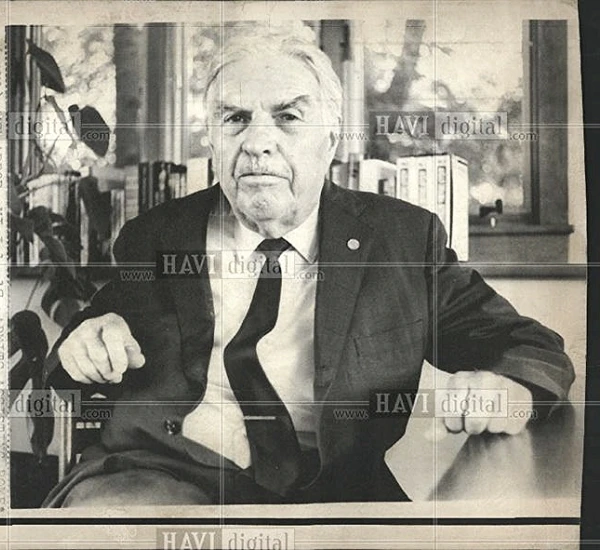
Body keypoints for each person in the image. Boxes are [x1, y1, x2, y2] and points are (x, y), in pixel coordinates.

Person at [42, 26, 574, 506]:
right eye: (235, 119)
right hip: (157, 473)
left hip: (335, 494)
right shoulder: (156, 236)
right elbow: (82, 358)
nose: (256, 143)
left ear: (331, 140)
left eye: (288, 117)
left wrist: (510, 391)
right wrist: (86, 342)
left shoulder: (402, 241)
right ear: (213, 139)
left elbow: (530, 347)